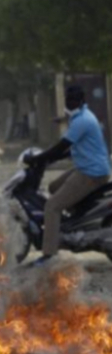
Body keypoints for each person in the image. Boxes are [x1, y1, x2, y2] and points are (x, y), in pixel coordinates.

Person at [22, 85, 111, 265]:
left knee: (52, 206)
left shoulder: (83, 121)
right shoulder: (78, 117)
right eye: (68, 99)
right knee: (53, 187)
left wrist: (39, 158)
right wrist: (46, 159)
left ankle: (49, 255)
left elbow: (61, 146)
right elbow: (69, 149)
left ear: (81, 100)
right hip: (87, 167)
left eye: (73, 99)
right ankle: (74, 222)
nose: (70, 103)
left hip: (91, 172)